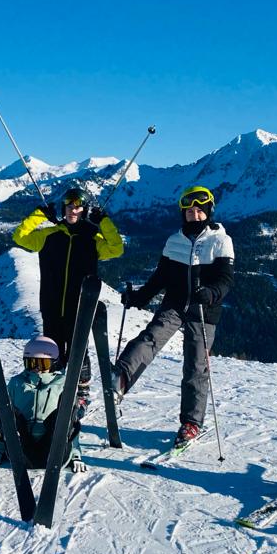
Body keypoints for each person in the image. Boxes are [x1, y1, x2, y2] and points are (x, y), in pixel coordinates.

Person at [115, 185, 234, 449]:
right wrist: (139, 298)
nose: (194, 215)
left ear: (208, 211)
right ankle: (120, 380)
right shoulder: (174, 241)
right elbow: (160, 278)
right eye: (189, 211)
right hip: (175, 304)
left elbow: (226, 279)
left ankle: (191, 422)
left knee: (196, 366)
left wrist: (212, 293)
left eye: (199, 211)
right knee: (150, 338)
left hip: (203, 311)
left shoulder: (221, 240)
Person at [12, 186, 124, 415]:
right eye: (69, 206)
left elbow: (116, 249)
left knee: (77, 350)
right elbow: (19, 236)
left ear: (84, 210)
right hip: (51, 305)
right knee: (52, 350)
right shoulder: (49, 235)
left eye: (78, 206)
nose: (73, 210)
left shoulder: (93, 238)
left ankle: (81, 394)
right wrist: (39, 215)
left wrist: (103, 221)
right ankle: (56, 390)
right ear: (63, 209)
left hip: (80, 306)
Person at [0, 336, 86, 473]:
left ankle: (63, 452)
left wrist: (75, 455)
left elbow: (70, 423)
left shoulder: (63, 384)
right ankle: (13, 449)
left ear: (53, 363)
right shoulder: (16, 383)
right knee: (7, 408)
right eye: (31, 363)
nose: (36, 369)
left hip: (53, 448)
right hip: (22, 448)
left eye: (43, 364)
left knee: (64, 412)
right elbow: (5, 418)